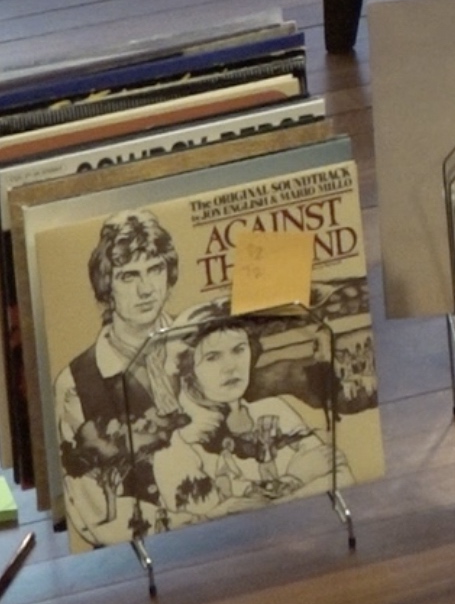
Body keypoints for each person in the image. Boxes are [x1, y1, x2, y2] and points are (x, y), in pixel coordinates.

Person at [52, 211, 193, 549]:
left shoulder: (202, 343)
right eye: (129, 276)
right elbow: (94, 516)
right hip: (136, 554)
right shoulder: (76, 383)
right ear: (107, 286)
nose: (146, 289)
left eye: (155, 269)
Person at [149, 311, 342, 525]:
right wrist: (295, 480)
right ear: (188, 372)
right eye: (212, 357)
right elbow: (218, 524)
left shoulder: (276, 409)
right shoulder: (175, 449)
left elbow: (340, 473)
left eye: (238, 350)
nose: (231, 366)